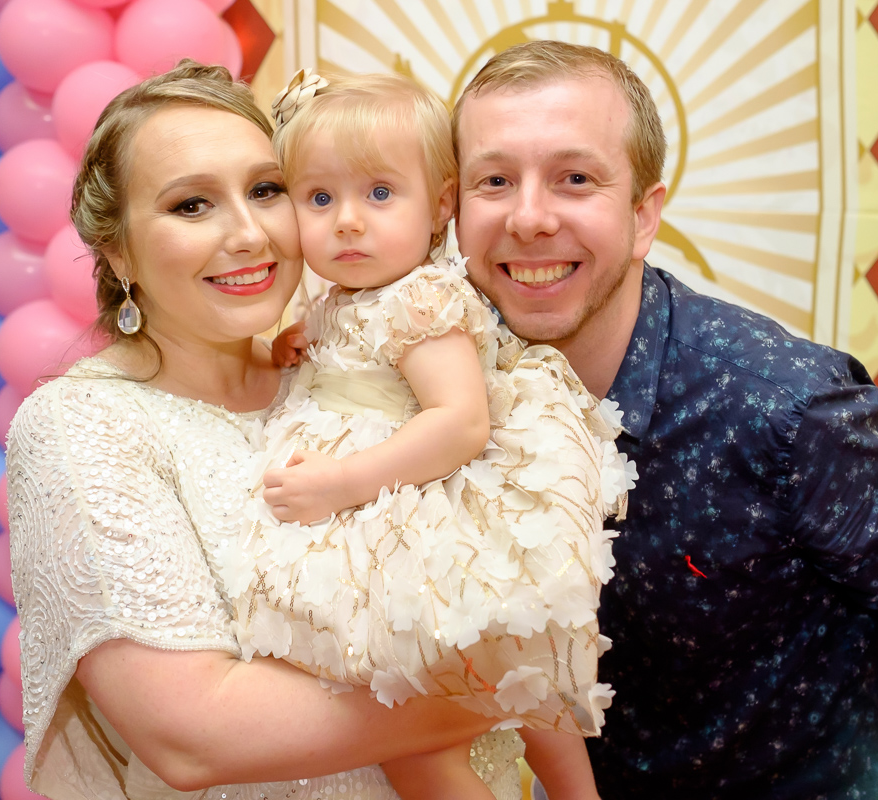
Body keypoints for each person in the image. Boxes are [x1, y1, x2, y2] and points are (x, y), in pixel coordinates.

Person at [452, 40, 878, 799]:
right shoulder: (454, 391)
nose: (529, 217)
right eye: (495, 181)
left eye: (575, 179)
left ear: (644, 215)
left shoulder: (790, 409)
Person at [5, 60, 528, 800]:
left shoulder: (338, 367)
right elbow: (191, 738)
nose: (249, 234)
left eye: (265, 190)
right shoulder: (82, 423)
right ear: (118, 251)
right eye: (192, 205)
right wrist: (516, 675)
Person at [223, 69, 632, 800]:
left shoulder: (420, 300)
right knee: (491, 681)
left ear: (441, 204)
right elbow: (344, 357)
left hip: (417, 505)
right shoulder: (344, 297)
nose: (348, 221)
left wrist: (339, 483)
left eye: (380, 194)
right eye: (320, 198)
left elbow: (460, 422)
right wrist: (296, 346)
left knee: (424, 715)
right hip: (379, 506)